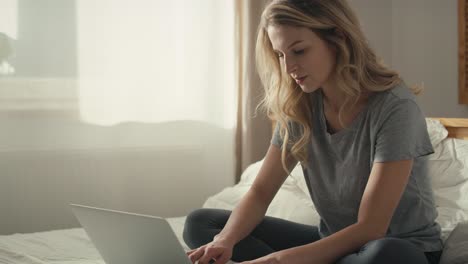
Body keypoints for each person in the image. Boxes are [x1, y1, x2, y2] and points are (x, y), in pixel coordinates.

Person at [183, 0, 443, 263]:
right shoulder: (300, 106)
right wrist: (224, 240)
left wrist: (278, 260)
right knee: (202, 224)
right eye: (281, 55)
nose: (288, 68)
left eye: (299, 51)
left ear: (338, 39)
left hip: (397, 248)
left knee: (384, 255)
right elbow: (261, 192)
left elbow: (371, 228)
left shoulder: (396, 107)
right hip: (332, 244)